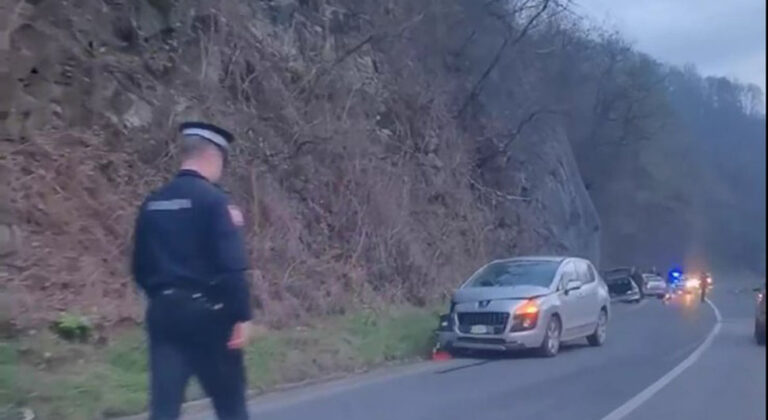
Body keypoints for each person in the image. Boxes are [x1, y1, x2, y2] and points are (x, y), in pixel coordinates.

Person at [132, 121, 252, 420]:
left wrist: (164, 296)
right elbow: (232, 267)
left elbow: (139, 267)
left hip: (164, 314)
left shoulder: (153, 203)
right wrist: (241, 316)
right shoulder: (214, 202)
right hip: (209, 317)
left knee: (164, 409)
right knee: (231, 407)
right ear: (214, 157)